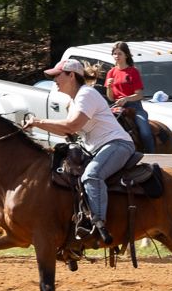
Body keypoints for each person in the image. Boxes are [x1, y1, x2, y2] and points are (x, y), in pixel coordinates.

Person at [22, 58, 135, 245]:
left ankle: (97, 224)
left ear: (71, 75)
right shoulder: (74, 101)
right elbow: (67, 130)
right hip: (99, 148)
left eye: (57, 75)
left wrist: (38, 122)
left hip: (117, 144)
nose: (55, 81)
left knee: (92, 175)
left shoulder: (86, 94)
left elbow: (72, 125)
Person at [105, 41, 153, 153]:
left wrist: (126, 98)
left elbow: (139, 95)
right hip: (116, 107)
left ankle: (151, 155)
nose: (117, 56)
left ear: (126, 55)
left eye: (120, 53)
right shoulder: (111, 72)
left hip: (134, 108)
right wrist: (109, 87)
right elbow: (111, 98)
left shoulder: (133, 71)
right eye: (115, 54)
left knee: (145, 132)